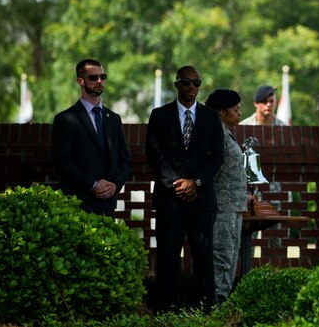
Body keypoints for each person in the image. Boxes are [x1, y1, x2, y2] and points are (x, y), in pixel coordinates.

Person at [145, 65, 225, 312]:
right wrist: (177, 184)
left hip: (202, 198)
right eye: (187, 83)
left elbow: (217, 156)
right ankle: (166, 308)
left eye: (197, 83)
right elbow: (154, 154)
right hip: (170, 199)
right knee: (168, 255)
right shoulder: (159, 115)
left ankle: (203, 309)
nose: (192, 88)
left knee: (203, 256)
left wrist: (196, 182)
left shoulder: (211, 117)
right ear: (177, 84)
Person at [51, 59, 131, 217]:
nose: (99, 81)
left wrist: (114, 185)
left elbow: (124, 160)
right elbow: (61, 162)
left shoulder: (113, 118)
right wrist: (92, 184)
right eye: (93, 78)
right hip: (78, 204)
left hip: (107, 205)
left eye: (103, 76)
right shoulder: (65, 119)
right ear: (80, 81)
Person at [205, 89, 247, 304]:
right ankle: (215, 307)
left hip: (234, 206)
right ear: (222, 112)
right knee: (221, 256)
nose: (239, 113)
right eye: (235, 109)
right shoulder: (216, 135)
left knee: (230, 258)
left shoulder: (226, 133)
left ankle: (221, 305)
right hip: (222, 209)